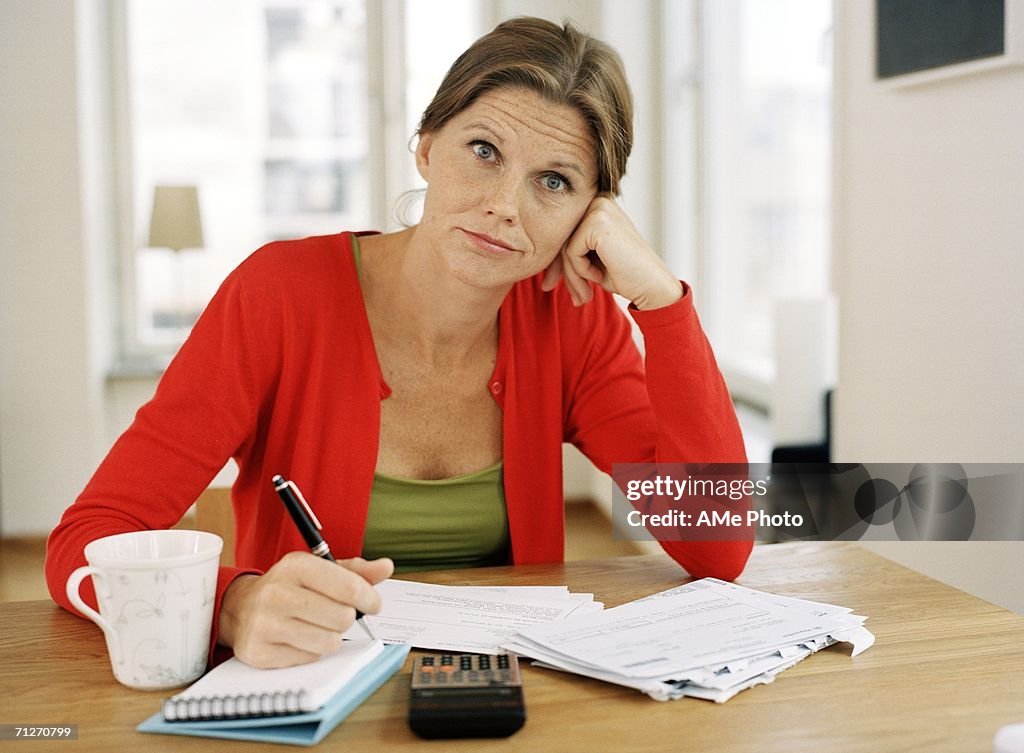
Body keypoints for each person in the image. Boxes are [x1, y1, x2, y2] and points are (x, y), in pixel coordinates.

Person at [46, 17, 752, 670]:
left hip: (507, 702)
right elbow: (88, 538)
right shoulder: (277, 297)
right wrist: (233, 604)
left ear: (589, 214)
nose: (505, 204)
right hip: (307, 689)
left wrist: (662, 303)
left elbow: (715, 544)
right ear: (425, 145)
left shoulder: (574, 320)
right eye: (484, 150)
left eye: (554, 181)